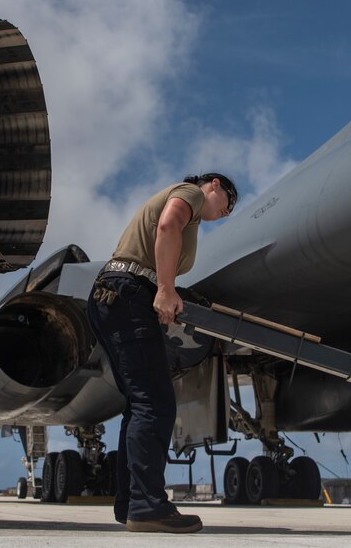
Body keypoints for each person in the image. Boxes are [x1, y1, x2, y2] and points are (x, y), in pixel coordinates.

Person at [87, 172, 237, 533]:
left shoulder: (194, 214)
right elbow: (168, 226)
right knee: (155, 403)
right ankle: (147, 507)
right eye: (228, 205)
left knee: (140, 405)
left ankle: (133, 505)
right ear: (214, 185)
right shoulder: (190, 194)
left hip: (115, 295)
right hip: (127, 293)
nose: (226, 214)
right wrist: (166, 289)